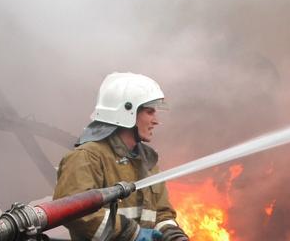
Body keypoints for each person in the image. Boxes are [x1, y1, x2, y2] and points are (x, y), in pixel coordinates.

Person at [53, 72, 189, 241]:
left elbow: (161, 212)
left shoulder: (148, 161)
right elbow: (74, 212)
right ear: (127, 112)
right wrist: (131, 233)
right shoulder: (87, 157)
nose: (156, 120)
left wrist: (173, 235)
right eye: (149, 112)